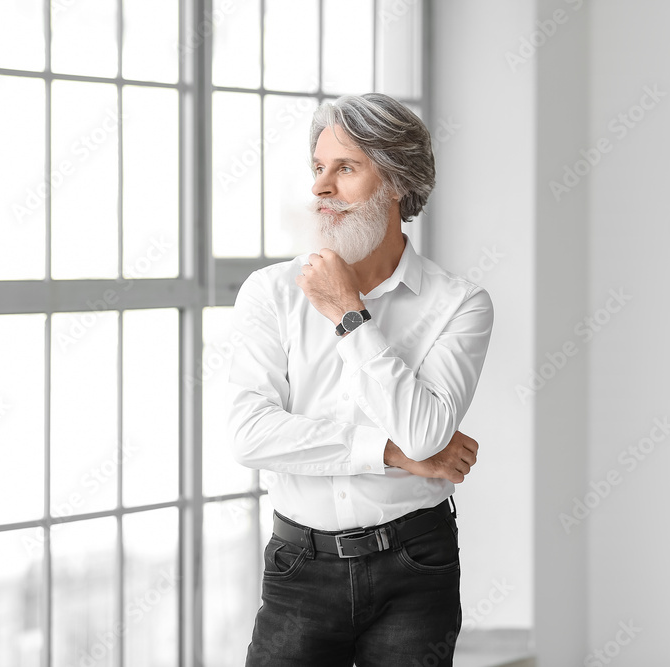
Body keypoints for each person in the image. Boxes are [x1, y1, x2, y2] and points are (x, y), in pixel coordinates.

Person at [227, 92, 493, 667]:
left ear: (396, 182)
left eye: (345, 168)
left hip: (416, 566)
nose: (321, 188)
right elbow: (250, 435)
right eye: (318, 168)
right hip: (299, 566)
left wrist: (349, 315)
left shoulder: (459, 303)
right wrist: (391, 453)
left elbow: (426, 435)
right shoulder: (270, 293)